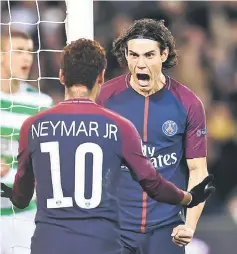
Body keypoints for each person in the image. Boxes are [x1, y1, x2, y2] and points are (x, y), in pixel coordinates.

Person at [1, 38, 214, 254]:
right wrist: (189, 197)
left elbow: (22, 197)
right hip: (100, 243)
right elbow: (153, 183)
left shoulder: (33, 125)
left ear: (62, 76)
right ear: (101, 77)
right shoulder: (120, 127)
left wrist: (8, 191)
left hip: (49, 244)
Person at [97, 19, 211, 254]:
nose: (140, 64)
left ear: (164, 54)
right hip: (116, 228)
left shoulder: (188, 103)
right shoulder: (105, 98)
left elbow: (198, 169)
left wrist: (189, 225)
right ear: (125, 55)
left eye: (149, 55)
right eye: (133, 55)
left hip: (166, 229)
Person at [0, 30, 53, 254]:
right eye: (19, 50)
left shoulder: (41, 104)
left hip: (23, 216)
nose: (27, 58)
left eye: (30, 51)